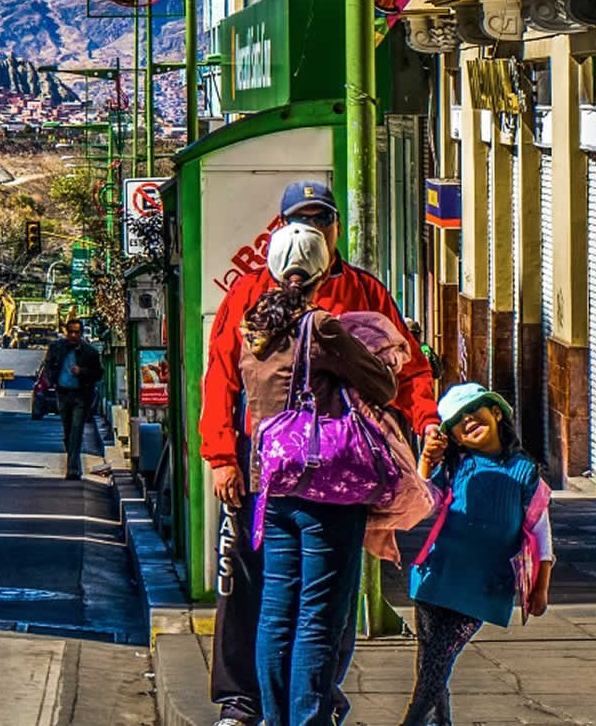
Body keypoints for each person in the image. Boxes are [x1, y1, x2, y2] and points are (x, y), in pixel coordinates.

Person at [199, 179, 441, 726]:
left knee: (283, 607)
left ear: (336, 229)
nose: (313, 227)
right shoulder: (265, 302)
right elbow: (220, 379)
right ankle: (269, 706)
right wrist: (220, 457)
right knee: (290, 602)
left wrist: (426, 416)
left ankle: (286, 710)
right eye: (301, 219)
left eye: (321, 217)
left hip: (277, 477)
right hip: (316, 480)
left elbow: (413, 373)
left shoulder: (358, 291)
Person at [241, 221, 399, 726]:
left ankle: (274, 715)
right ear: (323, 269)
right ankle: (307, 718)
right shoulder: (321, 327)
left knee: (276, 610)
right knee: (319, 616)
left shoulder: (256, 330)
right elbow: (382, 385)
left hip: (274, 488)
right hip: (327, 488)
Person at [399, 383, 555, 726]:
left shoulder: (526, 472)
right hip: (435, 578)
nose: (467, 421)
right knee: (432, 663)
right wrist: (426, 461)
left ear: (495, 412)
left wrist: (540, 587)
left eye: (473, 411)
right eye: (457, 421)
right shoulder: (455, 468)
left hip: (483, 587)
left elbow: (541, 534)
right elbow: (423, 505)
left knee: (436, 662)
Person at [38, 316, 102, 479]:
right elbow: (48, 365)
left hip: (81, 395)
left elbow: (98, 373)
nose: (74, 335)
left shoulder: (90, 352)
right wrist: (52, 381)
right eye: (71, 332)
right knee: (68, 432)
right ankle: (73, 462)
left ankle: (73, 469)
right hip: (63, 393)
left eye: (77, 332)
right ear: (66, 332)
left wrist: (82, 372)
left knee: (76, 431)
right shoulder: (57, 348)